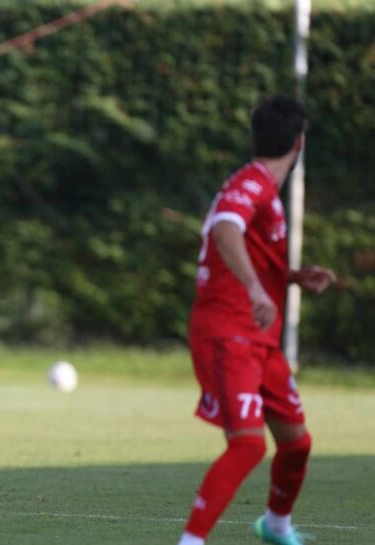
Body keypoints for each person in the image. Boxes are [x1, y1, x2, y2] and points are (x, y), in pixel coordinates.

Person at [177, 95, 337, 545]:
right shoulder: (253, 185)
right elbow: (226, 228)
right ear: (299, 144)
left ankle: (276, 525)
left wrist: (289, 277)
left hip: (257, 338)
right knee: (248, 444)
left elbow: (243, 244)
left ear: (253, 139)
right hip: (229, 332)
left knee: (296, 442)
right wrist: (254, 288)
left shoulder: (260, 187)